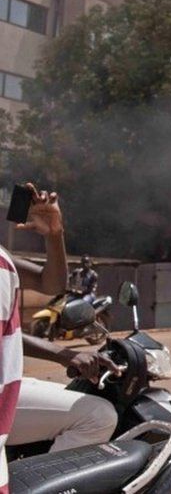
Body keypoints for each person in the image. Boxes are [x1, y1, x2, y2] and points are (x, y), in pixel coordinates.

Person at [0, 184, 118, 489]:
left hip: (7, 386)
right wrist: (61, 353)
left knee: (95, 413)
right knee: (97, 416)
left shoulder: (3, 262)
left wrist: (54, 235)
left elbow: (50, 283)